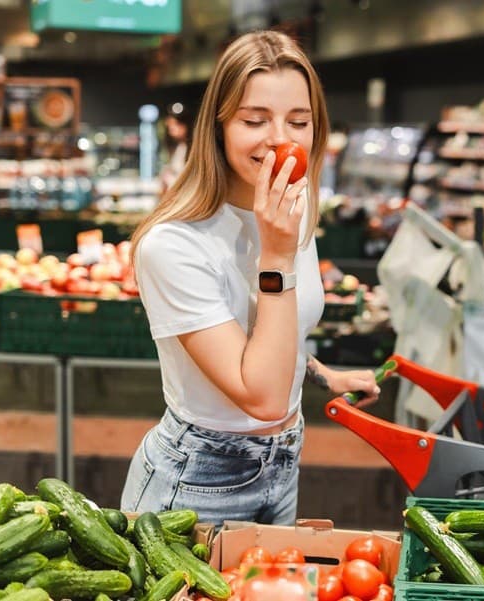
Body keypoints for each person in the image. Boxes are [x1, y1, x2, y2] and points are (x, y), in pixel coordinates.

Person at [120, 30, 380, 527]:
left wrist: (322, 374)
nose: (281, 139)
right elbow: (260, 396)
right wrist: (276, 256)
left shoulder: (292, 212)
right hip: (197, 482)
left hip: (284, 464)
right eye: (254, 120)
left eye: (298, 121)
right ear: (218, 127)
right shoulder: (173, 246)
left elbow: (263, 337)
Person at [158, 102, 192, 193]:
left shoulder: (194, 148)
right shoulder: (177, 147)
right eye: (170, 124)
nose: (172, 128)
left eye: (177, 123)